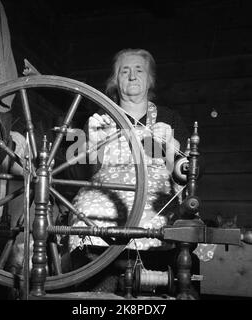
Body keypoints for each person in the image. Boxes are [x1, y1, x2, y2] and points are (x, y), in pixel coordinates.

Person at [62, 49, 190, 291]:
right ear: (115, 80)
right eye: (124, 71)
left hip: (157, 199)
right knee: (85, 212)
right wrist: (91, 145)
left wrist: (171, 151)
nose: (132, 76)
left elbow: (188, 174)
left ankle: (144, 280)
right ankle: (99, 283)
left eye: (139, 70)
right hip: (104, 196)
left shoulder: (169, 118)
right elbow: (77, 176)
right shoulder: (99, 119)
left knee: (168, 218)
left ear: (150, 79)